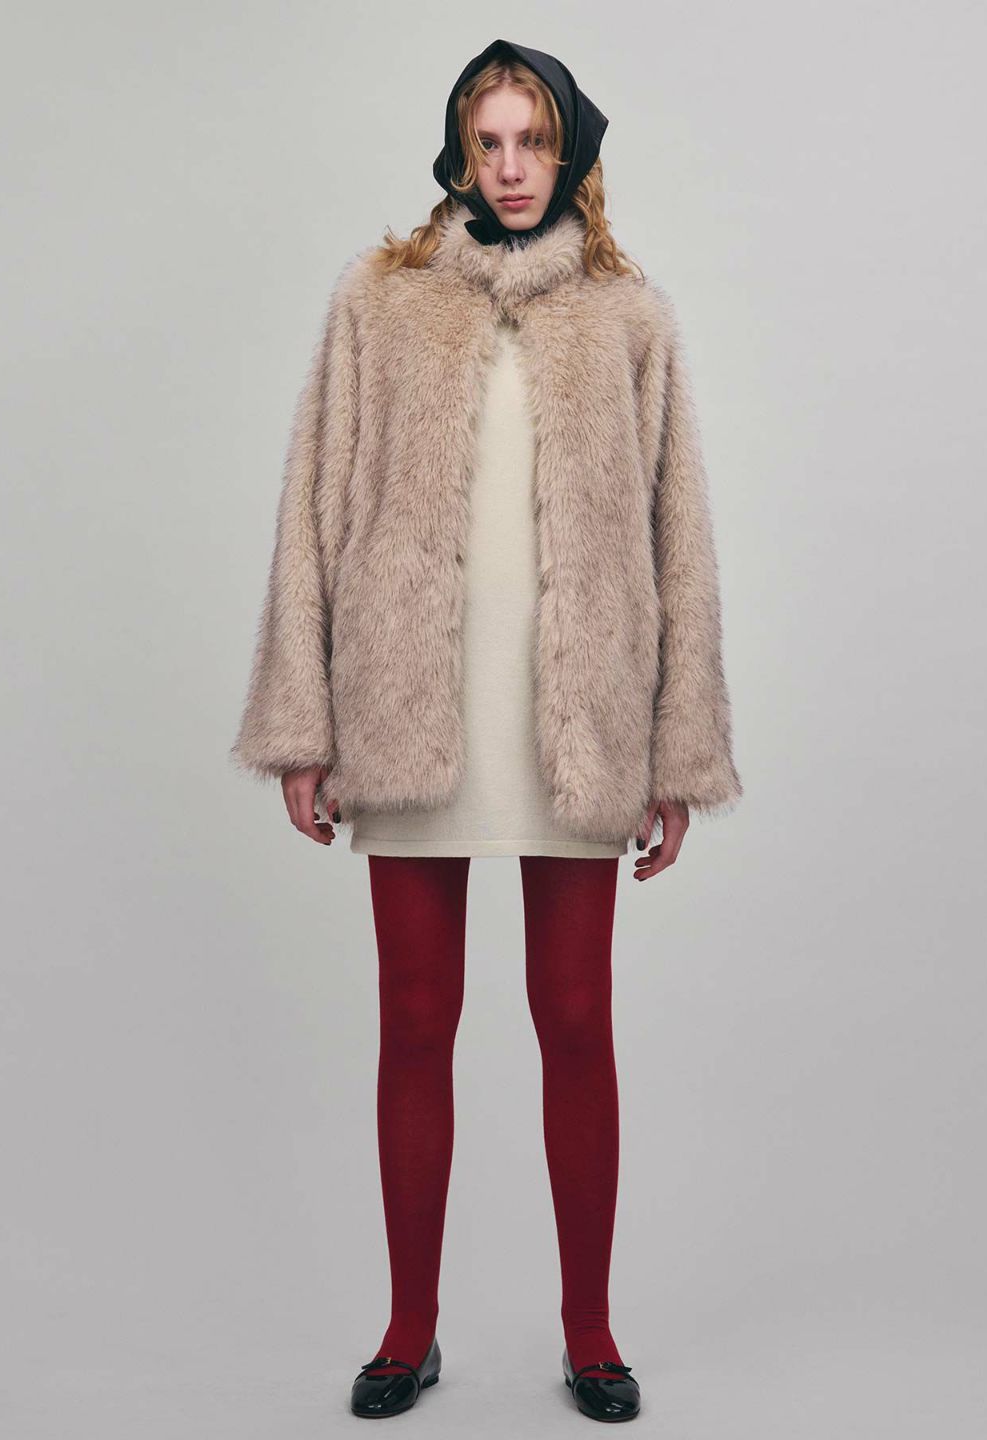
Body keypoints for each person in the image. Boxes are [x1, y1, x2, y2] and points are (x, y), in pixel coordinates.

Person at [229, 37, 743, 1423]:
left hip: (578, 726)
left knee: (575, 1021)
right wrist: (303, 722)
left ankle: (592, 1333)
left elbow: (679, 539)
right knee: (414, 1020)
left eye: (534, 142)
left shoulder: (630, 316)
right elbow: (314, 504)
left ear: (571, 152)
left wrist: (677, 752)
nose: (511, 169)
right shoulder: (380, 302)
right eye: (489, 144)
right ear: (459, 155)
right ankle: (409, 1331)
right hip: (408, 714)